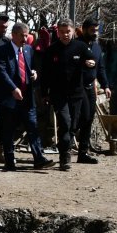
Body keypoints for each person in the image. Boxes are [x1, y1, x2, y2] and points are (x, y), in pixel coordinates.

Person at [0, 22, 53, 171]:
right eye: (22, 35)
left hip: (27, 97)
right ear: (13, 35)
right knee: (9, 130)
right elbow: (1, 72)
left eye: (26, 35)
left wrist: (34, 73)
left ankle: (39, 158)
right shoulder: (2, 51)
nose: (25, 39)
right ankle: (9, 161)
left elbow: (31, 67)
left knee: (33, 127)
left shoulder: (28, 50)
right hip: (10, 98)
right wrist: (13, 88)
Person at [39, 19, 96, 170]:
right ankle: (65, 157)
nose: (65, 35)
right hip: (58, 94)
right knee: (65, 123)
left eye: (68, 31)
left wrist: (90, 63)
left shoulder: (80, 47)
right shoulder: (51, 50)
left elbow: (92, 59)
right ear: (57, 32)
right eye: (62, 32)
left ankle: (65, 147)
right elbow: (44, 74)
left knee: (73, 126)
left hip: (76, 93)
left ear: (73, 31)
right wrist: (44, 93)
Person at [73, 18, 110, 164]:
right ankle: (65, 145)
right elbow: (68, 62)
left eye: (96, 30)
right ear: (84, 29)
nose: (95, 33)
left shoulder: (97, 47)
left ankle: (83, 153)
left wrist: (106, 85)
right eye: (92, 30)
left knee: (88, 119)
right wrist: (83, 62)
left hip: (90, 88)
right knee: (78, 118)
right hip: (77, 87)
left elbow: (100, 68)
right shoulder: (76, 45)